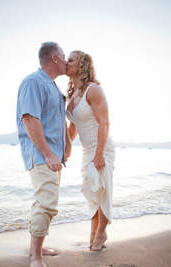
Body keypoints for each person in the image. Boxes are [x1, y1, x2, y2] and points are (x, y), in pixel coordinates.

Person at [16, 42, 71, 267]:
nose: (67, 59)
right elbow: (30, 119)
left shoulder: (56, 90)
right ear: (55, 58)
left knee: (43, 203)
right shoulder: (33, 82)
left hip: (54, 156)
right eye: (64, 55)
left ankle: (35, 247)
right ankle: (36, 259)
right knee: (48, 203)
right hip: (41, 154)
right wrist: (48, 154)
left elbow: (60, 123)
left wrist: (66, 147)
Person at [66, 51, 115, 251]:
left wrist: (99, 154)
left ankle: (101, 233)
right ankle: (94, 230)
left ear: (82, 65)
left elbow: (104, 123)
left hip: (102, 148)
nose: (66, 62)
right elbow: (73, 127)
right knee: (92, 193)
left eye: (71, 60)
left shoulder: (94, 90)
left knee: (103, 191)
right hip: (88, 150)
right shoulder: (72, 95)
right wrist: (66, 147)